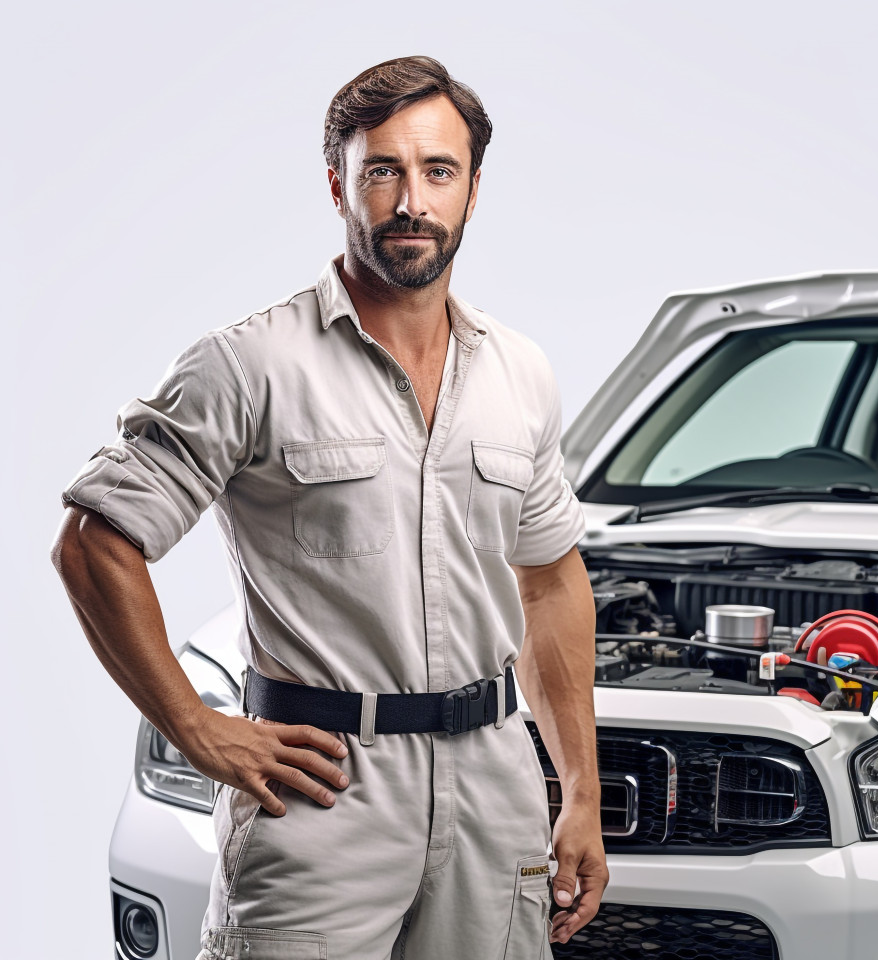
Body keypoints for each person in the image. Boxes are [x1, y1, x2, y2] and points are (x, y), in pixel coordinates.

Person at [51, 56, 607, 960]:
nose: (412, 202)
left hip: (497, 795)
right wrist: (197, 730)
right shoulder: (250, 365)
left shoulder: (521, 373)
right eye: (382, 170)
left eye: (438, 171)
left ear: (473, 190)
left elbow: (548, 581)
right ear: (338, 186)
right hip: (324, 794)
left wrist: (579, 788)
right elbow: (92, 543)